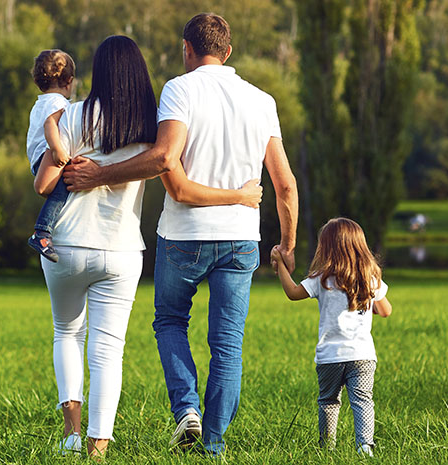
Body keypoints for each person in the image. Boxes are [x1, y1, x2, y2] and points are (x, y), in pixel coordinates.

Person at [61, 13, 299, 455]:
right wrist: (287, 243)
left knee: (170, 321)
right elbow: (284, 183)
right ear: (228, 52)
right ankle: (213, 444)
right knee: (227, 344)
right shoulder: (262, 100)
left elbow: (165, 158)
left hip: (184, 236)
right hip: (241, 239)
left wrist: (99, 175)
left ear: (187, 49)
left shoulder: (179, 89)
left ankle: (187, 411)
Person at [270, 217, 392, 457]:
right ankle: (365, 448)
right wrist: (367, 303)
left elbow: (293, 293)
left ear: (325, 247)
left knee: (328, 401)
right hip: (363, 356)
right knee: (363, 401)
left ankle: (327, 448)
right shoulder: (370, 278)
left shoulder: (322, 278)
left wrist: (280, 266)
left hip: (330, 357)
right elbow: (385, 310)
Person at [26, 49, 77, 263]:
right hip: (47, 156)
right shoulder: (59, 103)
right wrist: (57, 148)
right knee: (65, 186)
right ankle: (42, 232)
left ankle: (46, 231)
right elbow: (50, 125)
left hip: (37, 159)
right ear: (69, 81)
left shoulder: (40, 103)